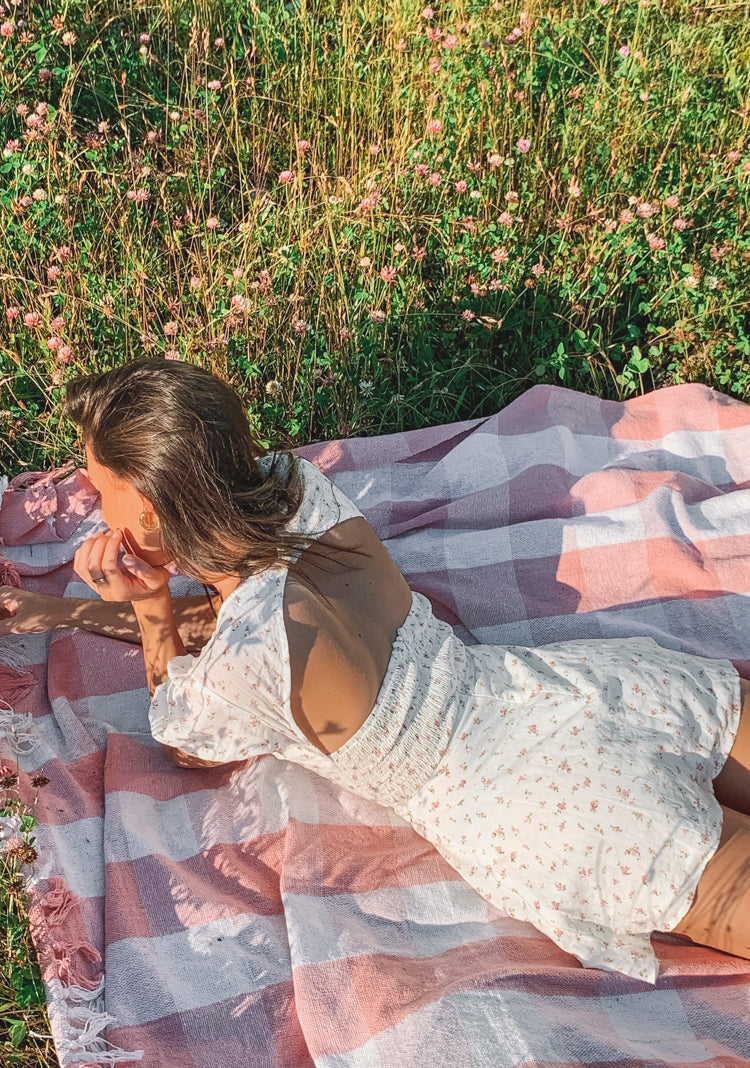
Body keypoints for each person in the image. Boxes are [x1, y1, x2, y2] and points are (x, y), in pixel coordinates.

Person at [1, 356, 750, 984]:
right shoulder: (299, 492)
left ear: (158, 513)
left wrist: (154, 610)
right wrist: (71, 613)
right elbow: (247, 607)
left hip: (545, 809)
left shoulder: (244, 665)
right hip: (566, 696)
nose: (97, 511)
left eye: (103, 495)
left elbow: (184, 733)